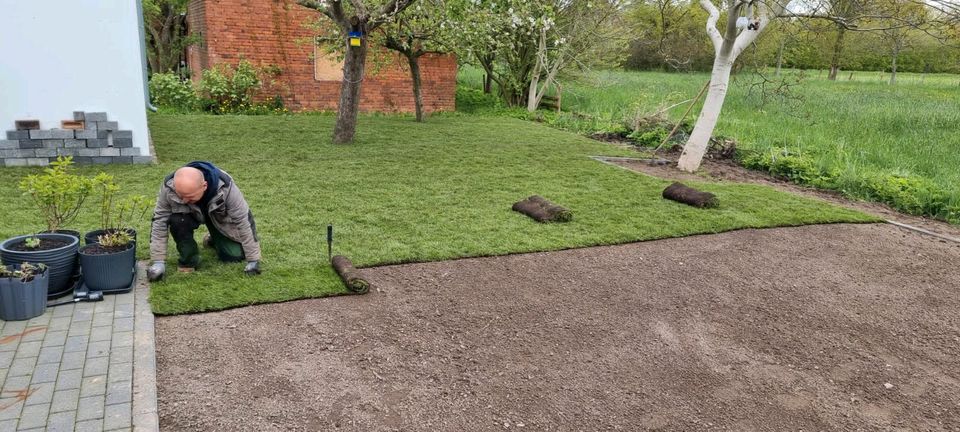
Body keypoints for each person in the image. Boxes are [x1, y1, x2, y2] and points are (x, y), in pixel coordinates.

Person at [146, 161, 261, 281]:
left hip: (218, 218)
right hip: (186, 216)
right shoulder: (169, 186)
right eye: (181, 195)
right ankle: (189, 259)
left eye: (189, 196)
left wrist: (253, 260)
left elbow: (244, 219)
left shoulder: (226, 185)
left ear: (204, 186)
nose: (184, 200)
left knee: (233, 256)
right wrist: (158, 262)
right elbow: (159, 221)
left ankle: (213, 239)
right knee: (177, 221)